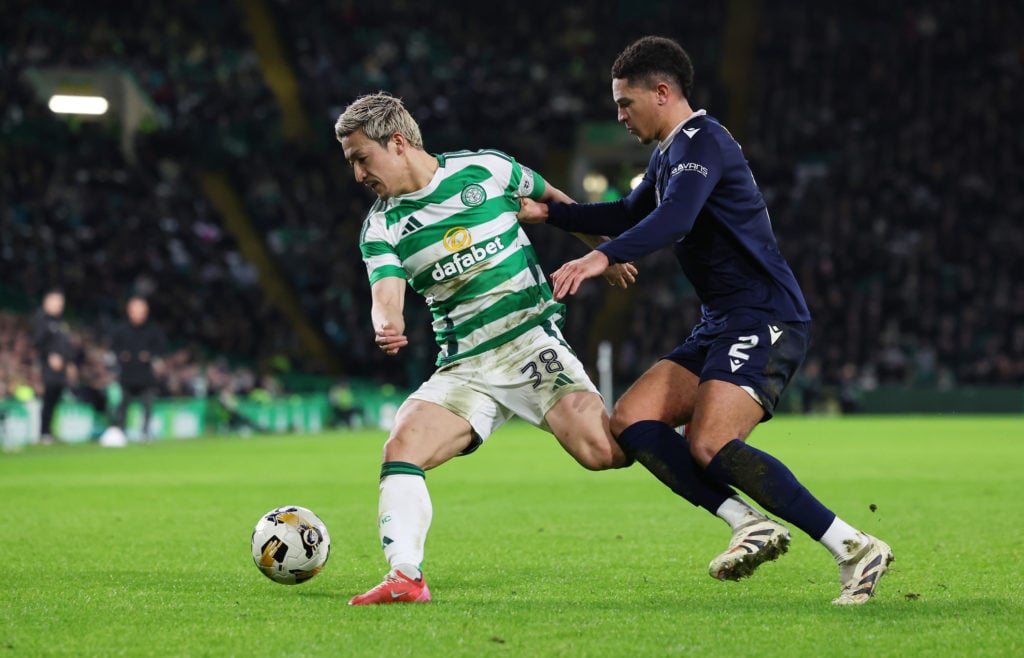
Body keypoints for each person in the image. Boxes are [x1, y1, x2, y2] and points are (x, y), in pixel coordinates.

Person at [518, 36, 893, 605]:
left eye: (625, 103)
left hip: (766, 314)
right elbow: (626, 212)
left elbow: (674, 220)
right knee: (632, 423)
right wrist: (550, 213)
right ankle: (749, 522)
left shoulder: (705, 141)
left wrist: (601, 255)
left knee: (711, 444)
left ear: (662, 93)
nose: (619, 116)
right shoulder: (667, 154)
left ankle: (854, 547)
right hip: (721, 321)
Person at [335, 92, 637, 605]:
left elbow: (560, 203)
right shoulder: (382, 225)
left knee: (603, 452)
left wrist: (603, 251)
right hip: (464, 368)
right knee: (400, 449)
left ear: (399, 143)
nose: (358, 174)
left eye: (361, 158)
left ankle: (672, 422)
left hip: (530, 345)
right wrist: (385, 323)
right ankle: (406, 577)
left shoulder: (487, 169)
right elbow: (385, 293)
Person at [108, 296, 166, 440]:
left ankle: (145, 432)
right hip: (127, 375)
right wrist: (122, 356)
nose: (139, 313)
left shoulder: (153, 330)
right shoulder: (121, 329)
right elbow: (113, 349)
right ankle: (120, 432)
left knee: (147, 405)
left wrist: (150, 356)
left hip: (145, 375)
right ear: (129, 311)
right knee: (123, 405)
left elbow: (160, 349)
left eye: (142, 309)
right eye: (136, 309)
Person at [31, 289, 74, 444]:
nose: (60, 306)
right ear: (47, 302)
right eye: (57, 302)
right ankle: (43, 433)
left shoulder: (60, 322)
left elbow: (65, 345)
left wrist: (68, 363)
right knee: (48, 398)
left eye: (61, 303)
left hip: (61, 367)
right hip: (48, 367)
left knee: (55, 398)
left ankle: (49, 430)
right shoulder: (41, 319)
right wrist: (50, 355)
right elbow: (37, 342)